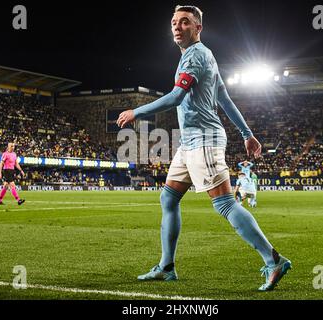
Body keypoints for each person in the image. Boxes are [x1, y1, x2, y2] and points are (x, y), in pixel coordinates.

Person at [116, 5, 291, 291]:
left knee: (224, 204)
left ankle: (274, 260)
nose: (177, 26)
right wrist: (248, 134)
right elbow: (225, 99)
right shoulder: (204, 56)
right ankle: (167, 266)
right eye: (174, 22)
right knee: (168, 199)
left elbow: (175, 98)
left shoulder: (195, 57)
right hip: (189, 144)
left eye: (184, 22)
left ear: (198, 28)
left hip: (204, 141)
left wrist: (137, 111)